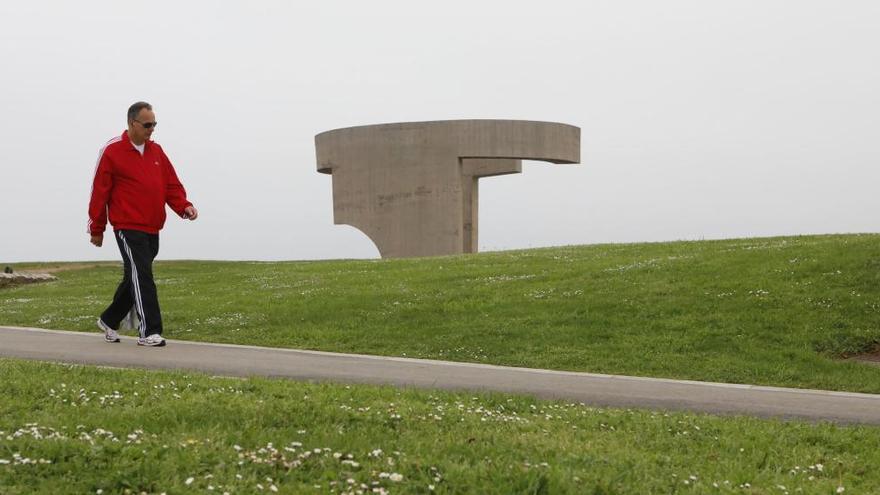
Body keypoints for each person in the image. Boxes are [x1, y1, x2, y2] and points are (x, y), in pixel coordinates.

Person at [87, 102, 198, 347]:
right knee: (143, 276)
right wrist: (97, 228)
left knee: (135, 275)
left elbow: (171, 185)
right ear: (131, 123)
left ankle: (109, 319)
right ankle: (149, 332)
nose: (152, 129)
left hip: (152, 226)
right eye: (147, 125)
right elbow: (99, 192)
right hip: (127, 225)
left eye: (154, 124)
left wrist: (184, 206)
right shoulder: (112, 151)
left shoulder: (156, 152)